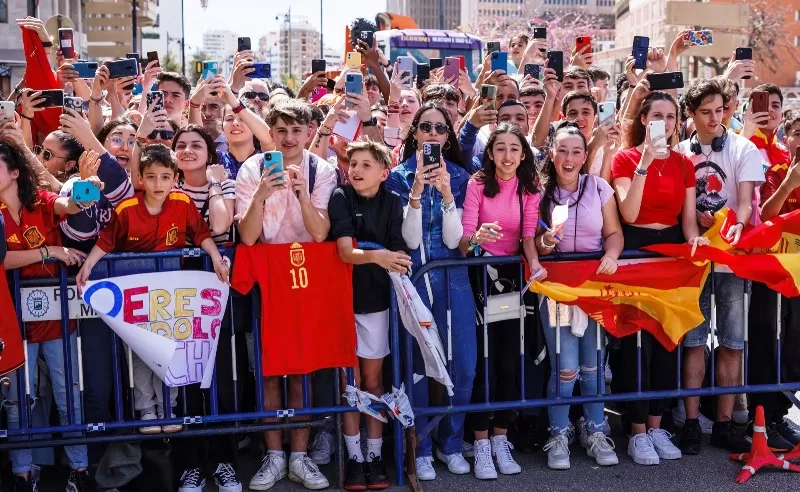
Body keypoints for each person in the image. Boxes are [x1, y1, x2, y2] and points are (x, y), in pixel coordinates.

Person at [75, 145, 229, 435]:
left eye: (165, 177)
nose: (159, 184)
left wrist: (216, 258)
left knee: (169, 348)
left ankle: (169, 409)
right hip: (134, 295)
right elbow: (107, 241)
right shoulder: (127, 208)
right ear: (141, 179)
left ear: (174, 178)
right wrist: (88, 266)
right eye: (152, 177)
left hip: (168, 296)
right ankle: (147, 410)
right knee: (140, 352)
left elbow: (201, 234)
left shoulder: (183, 203)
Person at [236, 100, 336, 491]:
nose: (290, 138)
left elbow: (320, 233)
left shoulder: (320, 169)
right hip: (267, 281)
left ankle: (299, 456)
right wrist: (261, 194)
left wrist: (302, 195)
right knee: (269, 371)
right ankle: (274, 456)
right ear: (270, 133)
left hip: (306, 277)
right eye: (281, 130)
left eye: (297, 130)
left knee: (303, 371)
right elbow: (246, 236)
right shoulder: (251, 169)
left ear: (310, 132)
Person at [611, 90, 706, 465]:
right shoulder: (625, 157)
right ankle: (635, 432)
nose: (664, 123)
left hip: (670, 254)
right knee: (638, 348)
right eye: (657, 116)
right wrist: (645, 163)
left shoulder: (685, 163)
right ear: (643, 120)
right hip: (635, 252)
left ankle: (655, 425)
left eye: (670, 116)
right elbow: (629, 213)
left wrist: (695, 237)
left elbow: (686, 220)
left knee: (667, 344)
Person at [0, 142, 100, 492]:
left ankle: (80, 469)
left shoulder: (40, 200)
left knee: (68, 392)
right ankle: (23, 473)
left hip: (56, 315)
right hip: (12, 320)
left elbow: (70, 204)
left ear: (14, 172)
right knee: (17, 399)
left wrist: (86, 182)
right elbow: (2, 260)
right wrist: (48, 251)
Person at [385, 103, 476, 481]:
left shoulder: (462, 176)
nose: (433, 134)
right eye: (426, 127)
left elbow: (458, 240)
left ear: (448, 136)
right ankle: (418, 447)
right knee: (416, 368)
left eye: (441, 128)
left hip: (453, 278)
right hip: (415, 280)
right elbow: (408, 237)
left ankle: (451, 443)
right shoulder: (397, 177)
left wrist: (447, 193)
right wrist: (419, 190)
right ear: (415, 133)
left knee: (463, 365)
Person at [675, 77, 764, 455]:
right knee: (694, 342)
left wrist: (734, 226)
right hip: (693, 260)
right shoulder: (680, 151)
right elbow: (681, 206)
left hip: (731, 257)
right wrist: (694, 226)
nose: (714, 119)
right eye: (705, 112)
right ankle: (693, 422)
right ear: (691, 114)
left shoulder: (743, 148)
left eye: (719, 110)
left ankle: (725, 425)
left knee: (731, 341)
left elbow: (745, 200)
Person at [459, 123, 546, 479]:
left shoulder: (530, 187)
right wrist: (477, 237)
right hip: (480, 276)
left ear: (523, 154)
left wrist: (537, 264)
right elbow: (464, 243)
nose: (507, 156)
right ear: (490, 153)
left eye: (514, 148)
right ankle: (480, 443)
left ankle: (500, 438)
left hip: (513, 280)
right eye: (500, 149)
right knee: (483, 363)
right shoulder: (476, 183)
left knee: (509, 362)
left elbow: (528, 238)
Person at [536, 124, 623, 470]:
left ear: (585, 157)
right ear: (552, 154)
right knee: (566, 368)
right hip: (555, 288)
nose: (569, 158)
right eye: (562, 151)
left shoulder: (599, 187)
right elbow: (530, 240)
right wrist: (544, 244)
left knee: (593, 368)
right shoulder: (538, 191)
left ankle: (596, 431)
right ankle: (558, 432)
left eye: (576, 152)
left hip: (593, 286)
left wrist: (613, 255)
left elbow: (614, 233)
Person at [328, 140, 410, 490]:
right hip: (341, 302)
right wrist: (377, 255)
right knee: (350, 385)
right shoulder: (340, 197)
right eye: (352, 163)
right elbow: (346, 252)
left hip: (376, 302)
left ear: (383, 172)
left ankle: (375, 456)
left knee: (374, 382)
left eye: (365, 164)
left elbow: (399, 249)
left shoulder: (393, 202)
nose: (356, 170)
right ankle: (354, 456)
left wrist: (390, 255)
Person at [168, 126, 243, 491]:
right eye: (180, 145)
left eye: (196, 145)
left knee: (220, 382)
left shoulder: (225, 184)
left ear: (210, 153)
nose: (187, 150)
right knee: (187, 383)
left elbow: (218, 225)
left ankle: (224, 462)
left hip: (217, 295)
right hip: (178, 297)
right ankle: (191, 466)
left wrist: (214, 183)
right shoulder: (167, 186)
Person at [748, 110, 800, 449]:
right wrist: (789, 184)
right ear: (786, 135)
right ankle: (762, 415)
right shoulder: (773, 162)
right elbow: (763, 214)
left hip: (797, 277)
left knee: (795, 346)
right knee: (768, 341)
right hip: (770, 273)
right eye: (798, 132)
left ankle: (782, 412)